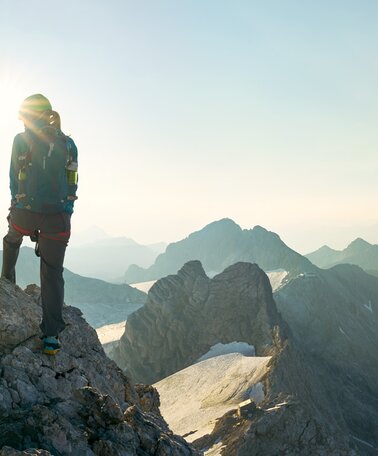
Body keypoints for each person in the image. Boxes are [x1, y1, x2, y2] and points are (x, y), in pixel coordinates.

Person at [1, 94, 78, 355]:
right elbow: (72, 180)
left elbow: (13, 179)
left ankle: (6, 281)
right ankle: (52, 337)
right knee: (52, 273)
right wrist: (66, 211)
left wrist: (17, 207)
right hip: (58, 220)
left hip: (25, 215)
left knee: (11, 240)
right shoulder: (68, 144)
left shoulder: (20, 140)